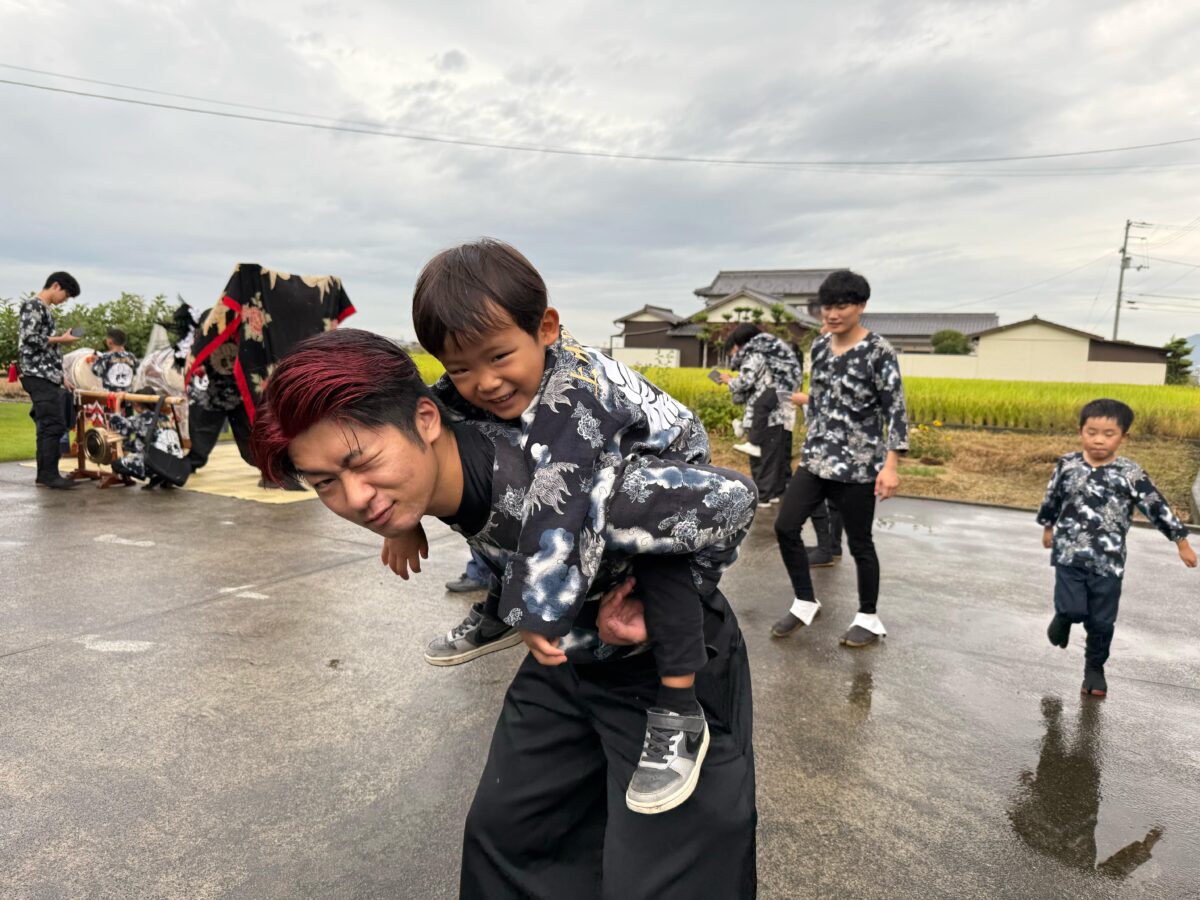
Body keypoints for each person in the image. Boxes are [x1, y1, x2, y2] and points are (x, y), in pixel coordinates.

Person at [252, 329, 758, 896]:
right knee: (510, 839)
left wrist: (671, 593)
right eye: (326, 484)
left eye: (363, 462)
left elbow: (732, 497)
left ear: (425, 420)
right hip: (559, 651)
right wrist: (403, 521)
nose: (355, 498)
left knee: (668, 875)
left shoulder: (569, 488)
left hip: (656, 652)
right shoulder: (445, 435)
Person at [391, 239, 720, 813]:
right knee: (499, 487)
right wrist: (404, 516)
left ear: (545, 328)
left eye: (499, 357)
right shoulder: (492, 382)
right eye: (460, 367)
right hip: (604, 467)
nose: (484, 382)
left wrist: (538, 612)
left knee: (658, 570)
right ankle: (497, 609)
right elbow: (430, 430)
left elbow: (559, 503)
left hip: (668, 475)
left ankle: (679, 708)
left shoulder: (577, 391)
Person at [769, 270, 908, 647]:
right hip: (817, 459)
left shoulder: (879, 351)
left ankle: (868, 617)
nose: (832, 314)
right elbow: (821, 398)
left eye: (842, 306)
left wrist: (891, 465)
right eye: (827, 306)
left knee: (860, 543)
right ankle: (804, 601)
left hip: (858, 465)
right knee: (785, 526)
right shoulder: (819, 347)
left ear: (861, 306)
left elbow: (895, 409)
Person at [1037, 398, 1195, 698]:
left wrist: (1181, 541)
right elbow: (1053, 496)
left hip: (1109, 561)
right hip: (1069, 554)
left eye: (1108, 434)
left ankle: (1094, 669)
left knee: (1101, 621)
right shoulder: (1068, 465)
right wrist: (1048, 527)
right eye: (1091, 432)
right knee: (1072, 607)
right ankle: (1063, 618)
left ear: (1124, 437)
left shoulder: (1130, 473)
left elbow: (1156, 506)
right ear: (1081, 432)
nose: (1098, 440)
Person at [720, 324, 803, 507]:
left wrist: (728, 380)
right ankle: (772, 494)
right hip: (776, 414)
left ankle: (763, 496)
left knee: (761, 458)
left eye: (733, 349)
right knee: (772, 457)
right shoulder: (770, 356)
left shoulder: (754, 356)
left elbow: (745, 382)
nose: (733, 354)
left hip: (765, 416)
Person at [18, 271, 81, 489]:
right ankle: (48, 475)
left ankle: (45, 474)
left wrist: (61, 377)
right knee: (53, 424)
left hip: (46, 375)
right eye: (66, 295)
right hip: (37, 375)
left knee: (49, 425)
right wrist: (61, 338)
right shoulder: (33, 306)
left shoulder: (44, 309)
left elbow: (47, 351)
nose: (65, 300)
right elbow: (29, 338)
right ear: (56, 286)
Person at [107, 393, 187, 489]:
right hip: (174, 464)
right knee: (140, 444)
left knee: (116, 464)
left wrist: (118, 402)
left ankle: (155, 474)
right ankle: (160, 477)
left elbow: (117, 424)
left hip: (157, 463)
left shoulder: (142, 419)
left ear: (136, 405)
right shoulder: (165, 417)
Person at [90, 327, 138, 392]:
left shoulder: (105, 357)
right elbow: (136, 371)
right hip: (128, 395)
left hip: (111, 395)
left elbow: (96, 371)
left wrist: (95, 361)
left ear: (110, 341)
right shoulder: (131, 356)